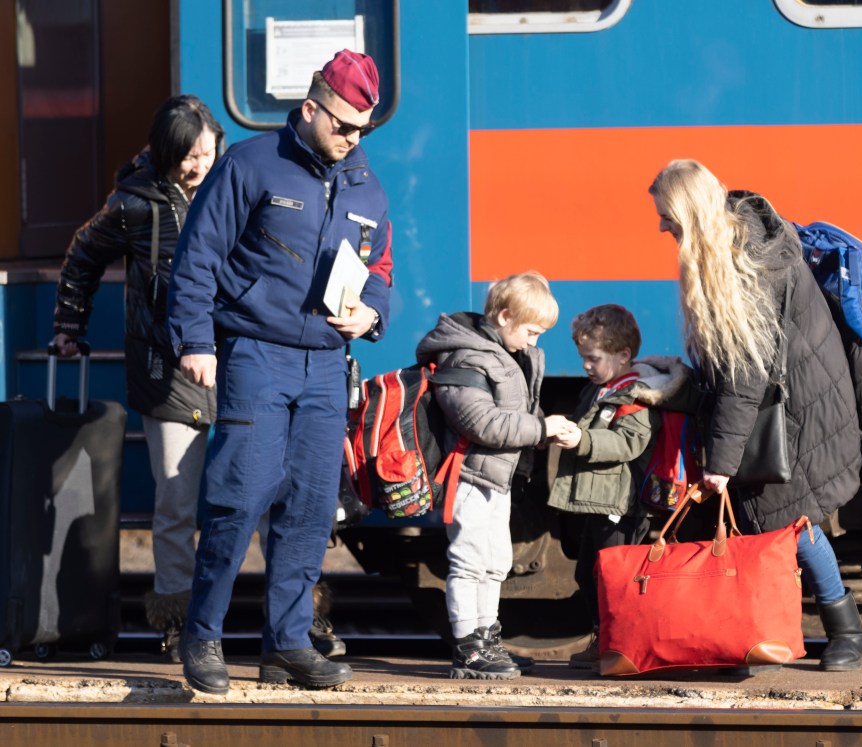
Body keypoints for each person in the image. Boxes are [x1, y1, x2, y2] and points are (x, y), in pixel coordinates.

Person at [167, 49, 392, 694]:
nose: (353, 139)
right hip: (254, 355)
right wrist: (196, 341)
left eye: (363, 131)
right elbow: (197, 257)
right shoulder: (250, 164)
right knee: (237, 499)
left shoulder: (366, 186)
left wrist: (370, 316)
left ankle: (287, 645)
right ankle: (202, 636)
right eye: (344, 125)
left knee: (310, 510)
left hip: (325, 364)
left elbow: (381, 271)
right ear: (311, 107)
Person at [648, 158, 862, 672]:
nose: (661, 227)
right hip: (791, 401)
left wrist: (720, 462)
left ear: (691, 214)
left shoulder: (746, 266)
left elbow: (745, 375)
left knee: (789, 520)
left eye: (667, 216)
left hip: (793, 413)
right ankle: (756, 633)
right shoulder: (744, 240)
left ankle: (848, 634)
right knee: (780, 520)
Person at [53, 95, 224, 662]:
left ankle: (291, 623)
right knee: (177, 501)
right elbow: (82, 255)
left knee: (262, 498)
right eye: (187, 157)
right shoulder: (135, 202)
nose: (198, 166)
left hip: (239, 365)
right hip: (166, 368)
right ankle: (177, 621)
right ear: (164, 152)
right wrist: (69, 326)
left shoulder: (234, 188)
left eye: (206, 152)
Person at [415, 271, 576, 680]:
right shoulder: (466, 355)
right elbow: (482, 423)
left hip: (496, 476)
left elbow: (520, 412)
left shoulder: (508, 355)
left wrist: (547, 431)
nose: (535, 342)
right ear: (504, 317)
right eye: (532, 331)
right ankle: (469, 648)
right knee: (469, 561)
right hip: (468, 476)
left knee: (496, 561)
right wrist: (542, 429)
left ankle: (486, 638)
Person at [547, 304, 696, 670]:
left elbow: (628, 445)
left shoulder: (635, 395)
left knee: (617, 579)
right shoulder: (604, 388)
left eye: (592, 358)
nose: (584, 366)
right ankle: (606, 640)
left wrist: (581, 439)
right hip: (600, 501)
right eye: (583, 358)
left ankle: (623, 647)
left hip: (621, 504)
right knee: (589, 574)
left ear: (622, 355)